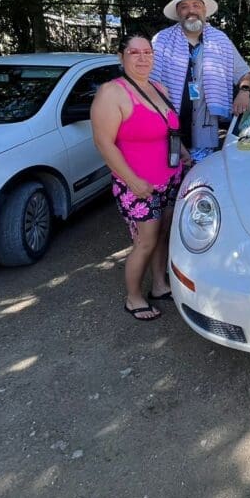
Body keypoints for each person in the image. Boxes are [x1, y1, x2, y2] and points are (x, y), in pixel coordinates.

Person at [91, 32, 190, 321]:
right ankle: (133, 297)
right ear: (121, 57)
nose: (143, 58)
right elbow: (103, 143)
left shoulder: (159, 88)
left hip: (170, 177)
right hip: (137, 183)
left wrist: (183, 153)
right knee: (145, 241)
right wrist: (132, 181)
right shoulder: (112, 92)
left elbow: (169, 129)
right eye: (134, 53)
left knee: (162, 235)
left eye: (147, 52)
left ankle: (159, 285)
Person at [150, 0, 250, 163]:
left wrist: (244, 92)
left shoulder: (220, 40)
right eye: (184, 6)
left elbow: (245, 73)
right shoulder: (162, 40)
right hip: (168, 130)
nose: (191, 11)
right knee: (170, 178)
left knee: (200, 184)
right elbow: (147, 84)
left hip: (205, 132)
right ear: (178, 12)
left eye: (196, 5)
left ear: (204, 10)